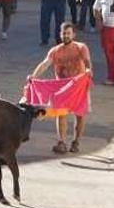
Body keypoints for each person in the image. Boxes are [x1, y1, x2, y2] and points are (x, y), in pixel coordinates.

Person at [29, 23, 92, 154]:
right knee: (61, 114)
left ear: (73, 35)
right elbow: (45, 64)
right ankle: (61, 142)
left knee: (79, 115)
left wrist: (88, 69)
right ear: (60, 34)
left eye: (68, 33)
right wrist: (33, 76)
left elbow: (86, 60)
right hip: (62, 88)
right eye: (64, 33)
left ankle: (76, 142)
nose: (66, 35)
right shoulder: (55, 50)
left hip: (78, 86)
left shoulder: (81, 47)